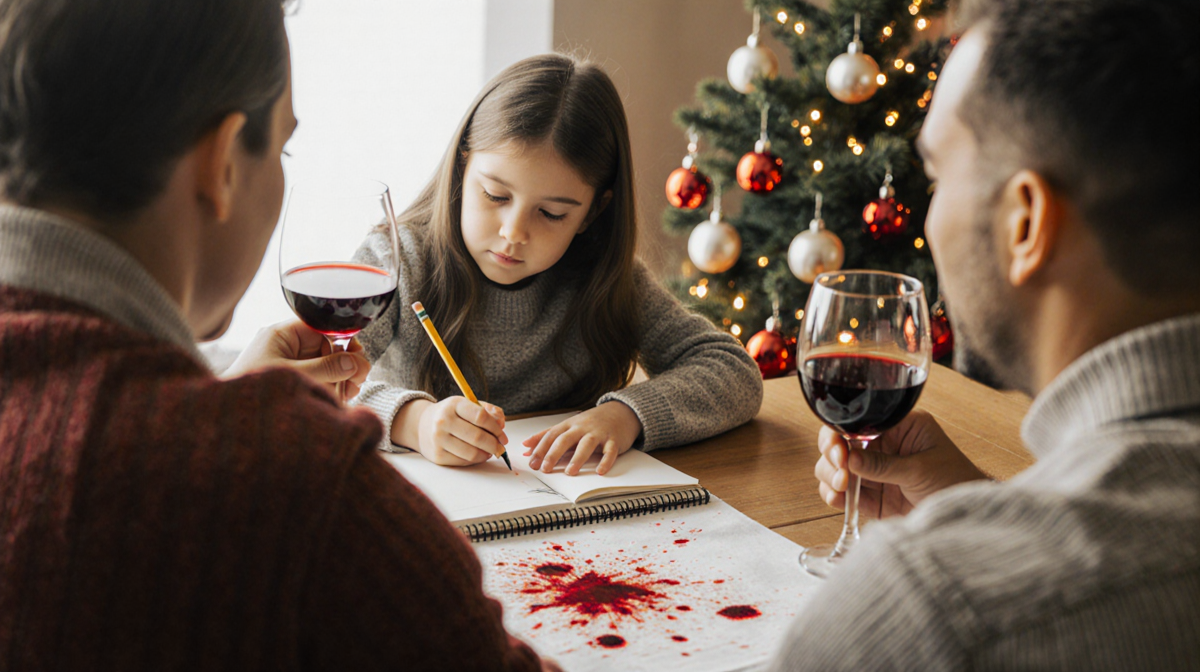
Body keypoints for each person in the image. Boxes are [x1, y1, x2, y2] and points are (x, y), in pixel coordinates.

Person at [0, 0, 549, 669]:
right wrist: (257, 439)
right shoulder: (301, 488)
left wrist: (219, 402)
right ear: (223, 162)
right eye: (284, 146)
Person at [770, 0, 1199, 669]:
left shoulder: (930, 616)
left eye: (937, 177)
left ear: (1025, 224)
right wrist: (986, 508)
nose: (928, 220)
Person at [353, 54, 763, 476]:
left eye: (551, 214)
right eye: (495, 195)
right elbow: (310, 382)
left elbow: (734, 371)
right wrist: (413, 423)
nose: (514, 232)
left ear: (591, 212)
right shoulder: (397, 259)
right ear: (463, 166)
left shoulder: (603, 277)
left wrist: (625, 416)